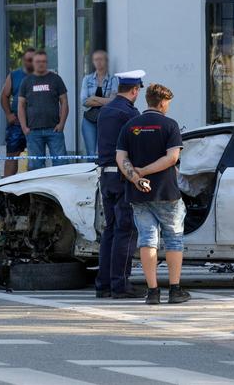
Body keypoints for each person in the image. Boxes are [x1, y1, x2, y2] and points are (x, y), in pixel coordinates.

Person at [115, 83, 190, 305]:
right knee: (174, 239)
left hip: (138, 193)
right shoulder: (170, 125)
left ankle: (152, 292)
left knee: (147, 240)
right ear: (164, 102)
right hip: (166, 192)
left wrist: (137, 178)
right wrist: (146, 171)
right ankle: (175, 290)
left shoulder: (130, 126)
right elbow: (172, 158)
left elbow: (121, 158)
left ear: (147, 100)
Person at [94, 70, 145, 299]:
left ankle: (103, 284)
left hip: (105, 175)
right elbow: (135, 146)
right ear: (135, 90)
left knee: (110, 231)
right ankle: (120, 285)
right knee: (125, 231)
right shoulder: (129, 113)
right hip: (123, 176)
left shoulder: (106, 110)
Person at [17, 50, 69, 171]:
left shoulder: (56, 79)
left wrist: (61, 124)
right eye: (38, 61)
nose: (41, 64)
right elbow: (21, 105)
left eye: (44, 61)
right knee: (35, 167)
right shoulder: (26, 81)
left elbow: (64, 102)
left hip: (54, 130)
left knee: (61, 164)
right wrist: (24, 127)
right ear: (33, 63)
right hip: (33, 131)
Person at [0, 47, 35, 177]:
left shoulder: (42, 75)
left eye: (33, 60)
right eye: (28, 59)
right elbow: (4, 96)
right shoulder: (14, 75)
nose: (30, 62)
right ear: (23, 60)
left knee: (35, 158)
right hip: (16, 123)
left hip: (36, 123)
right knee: (12, 155)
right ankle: (6, 188)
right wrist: (8, 114)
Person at [80, 50, 118, 158]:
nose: (99, 62)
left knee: (104, 151)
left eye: (101, 59)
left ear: (106, 61)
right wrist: (104, 101)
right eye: (96, 59)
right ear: (93, 62)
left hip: (107, 119)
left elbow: (114, 101)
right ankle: (90, 175)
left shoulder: (113, 79)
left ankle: (102, 175)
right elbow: (84, 101)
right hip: (89, 119)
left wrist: (94, 98)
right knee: (91, 154)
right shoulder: (87, 79)